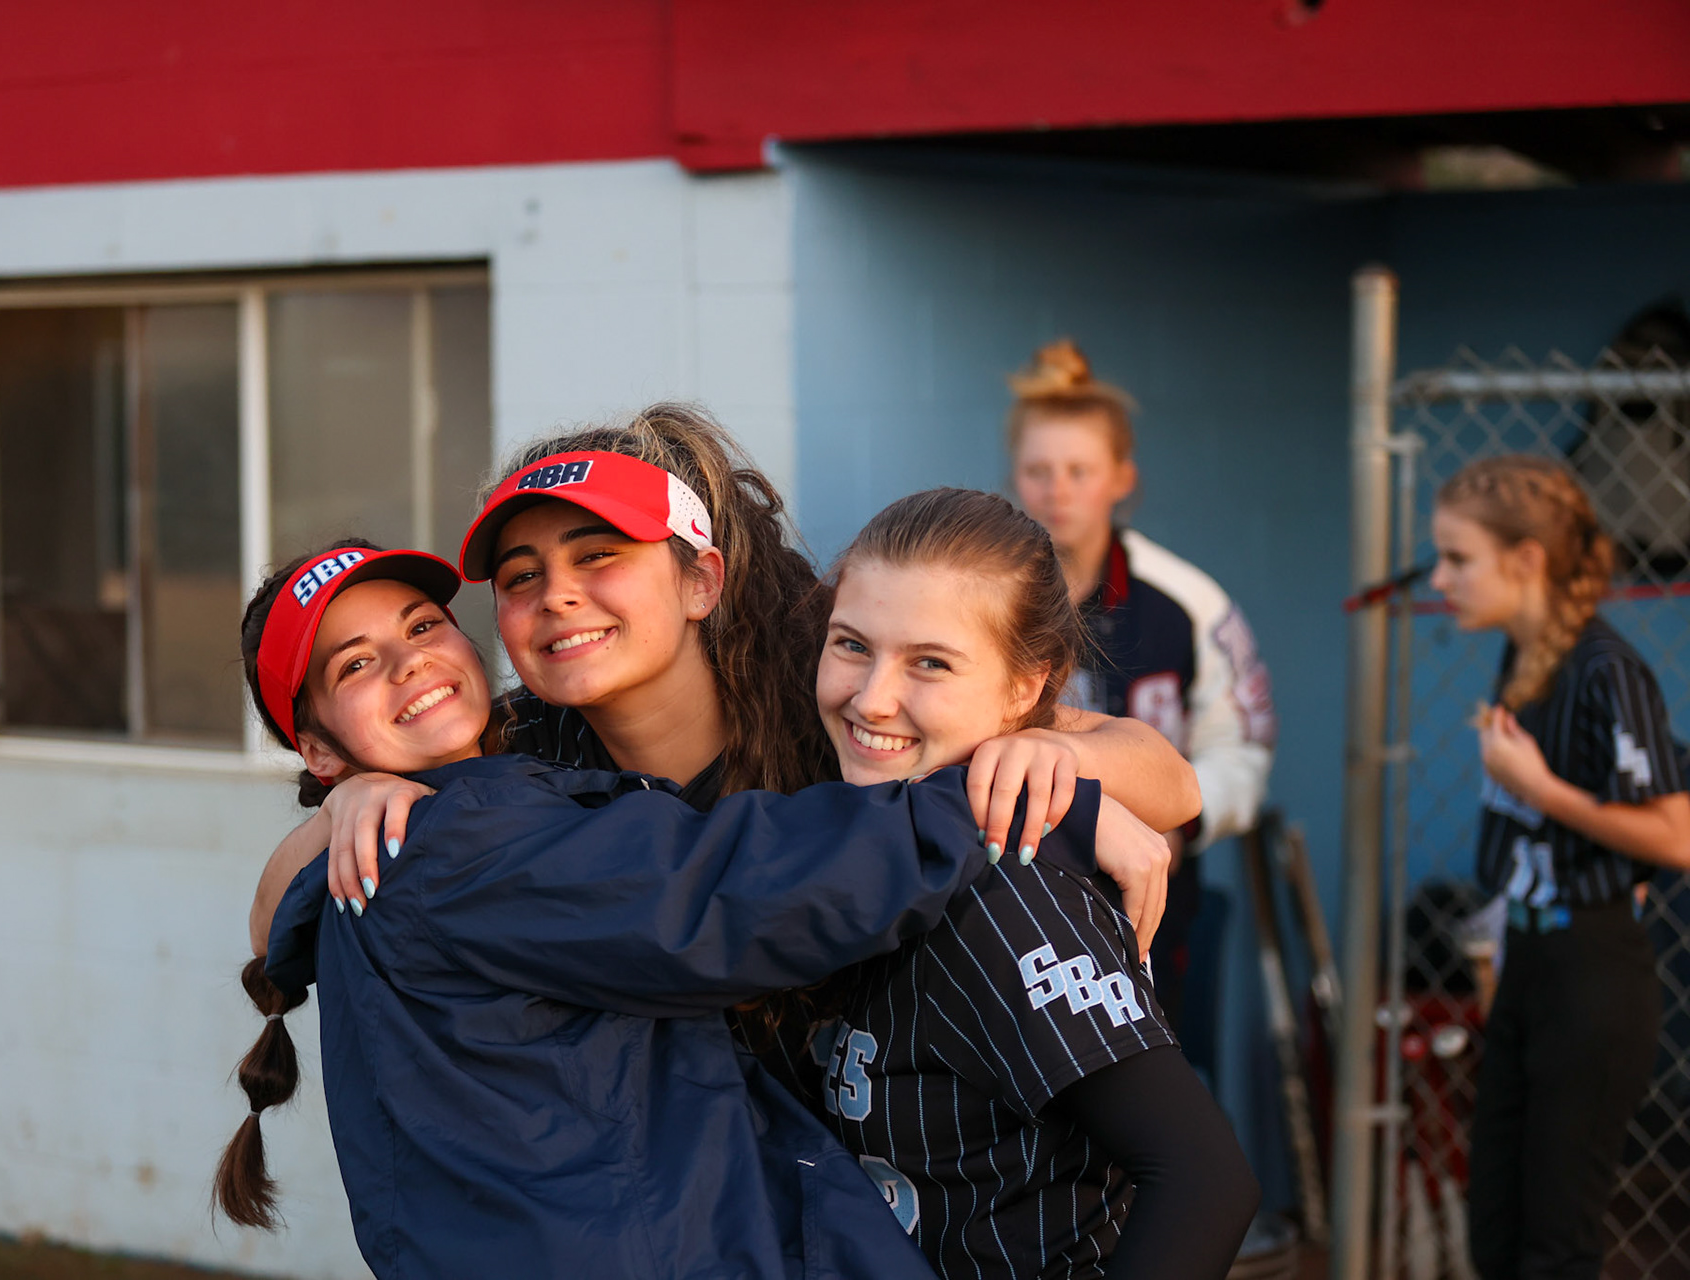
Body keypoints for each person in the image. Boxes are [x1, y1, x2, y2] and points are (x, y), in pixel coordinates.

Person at [218, 537, 1049, 1277]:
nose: (408, 663)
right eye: (354, 664)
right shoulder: (448, 843)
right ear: (319, 748)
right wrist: (1004, 803)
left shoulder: (464, 805)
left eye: (423, 626)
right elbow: (731, 893)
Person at [252, 404, 1199, 954]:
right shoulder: (521, 747)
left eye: (598, 556)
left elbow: (1170, 778)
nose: (558, 597)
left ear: (700, 579)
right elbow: (266, 926)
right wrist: (349, 805)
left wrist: (1044, 764)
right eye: (521, 577)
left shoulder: (832, 693)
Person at [783, 488, 1258, 1280]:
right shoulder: (843, 799)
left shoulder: (1008, 889)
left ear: (1023, 687)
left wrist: (1067, 762)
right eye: (852, 645)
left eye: (929, 662)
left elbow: (1206, 1180)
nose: (872, 698)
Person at [1430, 456, 1690, 1280]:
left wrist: (1543, 790)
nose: (1440, 579)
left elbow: (1676, 835)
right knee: (1496, 1230)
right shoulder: (1524, 658)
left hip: (1593, 975)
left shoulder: (1606, 670)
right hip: (1531, 966)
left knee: (1556, 1244)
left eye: (1459, 559)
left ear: (1527, 560)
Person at [1006, 340, 1277, 1044]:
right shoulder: (985, 597)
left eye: (1079, 471)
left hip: (1153, 905)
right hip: (1014, 896)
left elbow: (1242, 745)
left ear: (1121, 477)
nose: (1057, 490)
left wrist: (1181, 821)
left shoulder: (1187, 602)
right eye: (1039, 471)